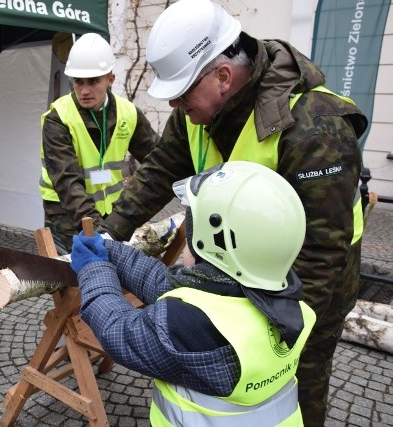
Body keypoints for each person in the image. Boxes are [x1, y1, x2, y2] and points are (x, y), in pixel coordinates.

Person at [98, 1, 368, 423]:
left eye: (181, 92)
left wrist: (278, 340)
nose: (174, 105)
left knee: (294, 391)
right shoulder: (198, 110)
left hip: (311, 291)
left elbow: (320, 256)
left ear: (223, 76)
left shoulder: (315, 126)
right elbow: (160, 170)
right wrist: (110, 233)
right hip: (234, 274)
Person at [71, 161, 316, 426]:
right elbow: (167, 286)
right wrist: (111, 251)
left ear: (214, 243)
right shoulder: (284, 303)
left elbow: (117, 329)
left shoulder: (190, 325)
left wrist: (93, 269)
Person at [39, 32, 160, 254]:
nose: (85, 90)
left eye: (93, 81)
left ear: (110, 79)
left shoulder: (128, 113)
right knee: (77, 272)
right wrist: (96, 231)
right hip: (65, 212)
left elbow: (161, 160)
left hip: (110, 208)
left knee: (114, 265)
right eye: (78, 82)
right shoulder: (58, 118)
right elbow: (68, 184)